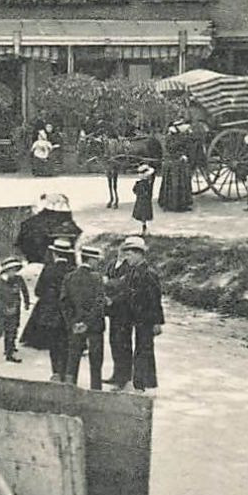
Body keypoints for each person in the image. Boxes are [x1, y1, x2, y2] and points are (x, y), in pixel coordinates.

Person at [21, 237, 76, 380]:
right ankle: (67, 374)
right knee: (66, 344)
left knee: (54, 345)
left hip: (50, 313)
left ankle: (56, 373)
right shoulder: (72, 270)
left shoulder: (48, 270)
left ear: (55, 253)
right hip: (68, 314)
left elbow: (38, 291)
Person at [60, 245, 107, 389]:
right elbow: (99, 304)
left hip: (74, 324)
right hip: (94, 326)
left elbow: (64, 302)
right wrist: (87, 323)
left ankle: (69, 388)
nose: (98, 263)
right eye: (97, 260)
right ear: (91, 260)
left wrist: (73, 322)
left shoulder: (69, 277)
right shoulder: (97, 278)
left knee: (73, 358)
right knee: (96, 360)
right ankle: (95, 390)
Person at [122, 237, 165, 392]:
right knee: (142, 349)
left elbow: (155, 299)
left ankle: (140, 384)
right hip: (137, 318)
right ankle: (143, 382)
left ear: (139, 254)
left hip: (146, 318)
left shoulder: (149, 274)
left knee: (143, 350)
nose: (127, 258)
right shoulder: (133, 272)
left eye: (130, 255)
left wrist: (157, 322)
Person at [104, 237, 143, 388]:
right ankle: (116, 373)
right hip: (112, 310)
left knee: (124, 343)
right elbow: (106, 281)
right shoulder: (112, 264)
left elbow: (125, 287)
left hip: (124, 311)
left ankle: (125, 376)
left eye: (126, 251)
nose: (123, 254)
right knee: (114, 341)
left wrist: (111, 285)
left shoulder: (130, 267)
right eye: (122, 250)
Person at [14, 194, 80, 264]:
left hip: (35, 262)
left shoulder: (27, 224)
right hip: (61, 262)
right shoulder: (66, 223)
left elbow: (20, 245)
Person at [158, 124, 194, 212]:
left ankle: (177, 204)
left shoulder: (175, 138)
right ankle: (176, 205)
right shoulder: (170, 139)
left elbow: (181, 148)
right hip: (174, 164)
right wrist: (181, 155)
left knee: (177, 183)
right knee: (176, 184)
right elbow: (172, 149)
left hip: (175, 163)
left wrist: (183, 154)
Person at [131, 165, 156, 233]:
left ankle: (143, 225)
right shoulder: (148, 183)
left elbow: (134, 190)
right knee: (145, 213)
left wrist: (138, 194)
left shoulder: (138, 183)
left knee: (142, 213)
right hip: (146, 201)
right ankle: (144, 226)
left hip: (140, 200)